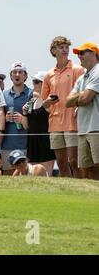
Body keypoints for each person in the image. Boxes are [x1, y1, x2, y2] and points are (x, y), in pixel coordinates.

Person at [42, 36, 85, 178]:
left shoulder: (78, 70)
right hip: (54, 122)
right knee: (61, 162)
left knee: (74, 160)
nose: (65, 50)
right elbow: (44, 102)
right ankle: (69, 191)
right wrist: (48, 102)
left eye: (66, 47)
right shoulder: (48, 75)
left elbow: (84, 94)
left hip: (72, 121)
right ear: (53, 50)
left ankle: (82, 187)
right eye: (61, 47)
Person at [66, 42, 99, 180]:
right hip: (84, 128)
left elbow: (86, 99)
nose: (79, 56)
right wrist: (82, 94)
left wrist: (78, 96)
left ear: (93, 53)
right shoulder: (82, 78)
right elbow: (68, 102)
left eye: (82, 53)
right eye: (78, 54)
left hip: (96, 128)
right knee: (86, 168)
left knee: (97, 166)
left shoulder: (98, 71)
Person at [21, 72, 55, 176]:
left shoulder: (49, 100)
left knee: (46, 174)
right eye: (33, 82)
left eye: (36, 82)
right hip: (32, 142)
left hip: (45, 141)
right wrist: (24, 114)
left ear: (44, 84)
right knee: (31, 173)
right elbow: (26, 126)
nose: (34, 85)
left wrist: (42, 98)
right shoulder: (31, 100)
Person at [1, 62, 33, 175]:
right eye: (14, 72)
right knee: (7, 175)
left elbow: (36, 120)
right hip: (7, 144)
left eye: (20, 72)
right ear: (11, 76)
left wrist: (23, 119)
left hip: (25, 143)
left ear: (25, 76)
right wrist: (5, 118)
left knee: (25, 174)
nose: (17, 74)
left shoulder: (32, 94)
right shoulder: (4, 94)